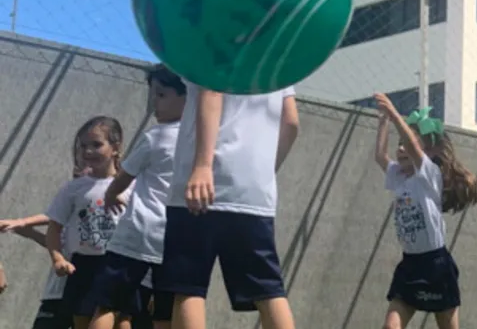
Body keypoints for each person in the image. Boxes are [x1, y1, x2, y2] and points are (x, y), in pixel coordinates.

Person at [157, 80, 300, 329]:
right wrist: (264, 171)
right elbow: (291, 122)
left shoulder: (210, 43)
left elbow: (211, 89)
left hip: (200, 185)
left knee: (188, 285)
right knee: (268, 289)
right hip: (252, 190)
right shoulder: (276, 58)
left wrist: (203, 165)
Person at [87, 64, 186, 329]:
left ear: (187, 97)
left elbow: (124, 175)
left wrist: (111, 193)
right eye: (152, 94)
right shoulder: (197, 141)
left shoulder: (155, 137)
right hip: (175, 237)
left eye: (162, 94)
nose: (154, 101)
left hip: (138, 233)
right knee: (164, 312)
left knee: (108, 304)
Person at [372, 99, 477, 329]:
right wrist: (383, 123)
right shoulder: (399, 176)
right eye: (398, 144)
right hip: (410, 265)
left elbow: (413, 147)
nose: (401, 148)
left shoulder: (429, 175)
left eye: (406, 144)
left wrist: (394, 113)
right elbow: (380, 156)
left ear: (427, 151)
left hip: (436, 265)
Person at [45, 116, 130, 329]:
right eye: (83, 146)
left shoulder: (130, 186)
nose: (88, 151)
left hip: (118, 263)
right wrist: (57, 258)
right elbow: (54, 227)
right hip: (82, 264)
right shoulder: (74, 188)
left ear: (115, 147)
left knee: (121, 320)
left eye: (97, 144)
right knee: (82, 319)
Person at [0, 159, 96, 329]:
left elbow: (50, 216)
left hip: (85, 292)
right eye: (75, 175)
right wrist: (28, 232)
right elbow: (56, 243)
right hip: (56, 293)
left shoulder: (94, 210)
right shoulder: (67, 209)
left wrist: (22, 222)